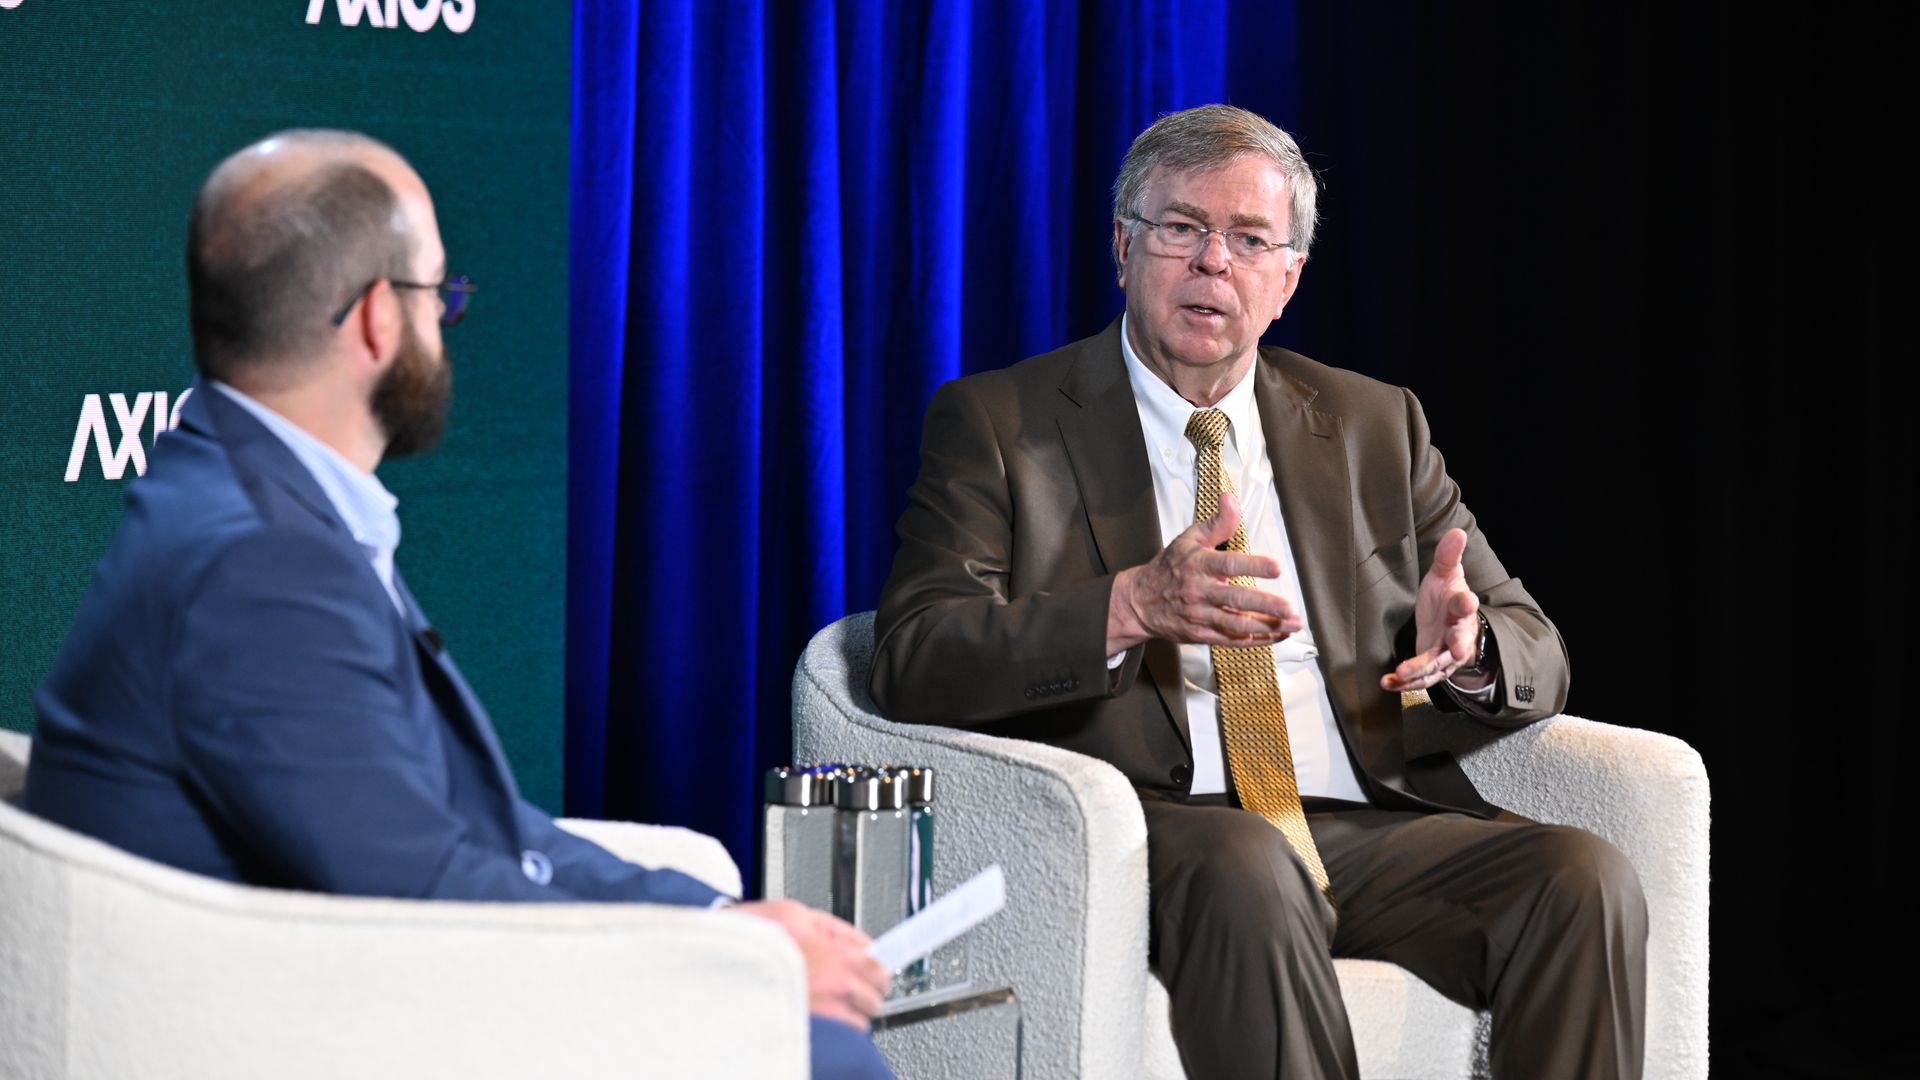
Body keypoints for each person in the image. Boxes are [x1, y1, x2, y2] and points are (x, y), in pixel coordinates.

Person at [22, 129, 893, 1080]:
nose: (448, 320)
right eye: (443, 296)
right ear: (375, 322)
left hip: (323, 986)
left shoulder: (244, 487)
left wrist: (716, 919)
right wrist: (740, 969)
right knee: (825, 1058)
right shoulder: (261, 563)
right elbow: (423, 895)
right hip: (296, 1028)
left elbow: (466, 828)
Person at [869, 105, 1646, 1079]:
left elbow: (1538, 648)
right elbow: (911, 657)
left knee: (1582, 878)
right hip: (1159, 828)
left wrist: (1473, 648)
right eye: (1182, 229)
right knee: (1247, 866)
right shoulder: (1000, 422)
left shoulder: (1373, 425)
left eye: (1249, 240)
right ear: (1123, 245)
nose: (1212, 265)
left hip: (1356, 820)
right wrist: (1129, 608)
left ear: (1288, 277)